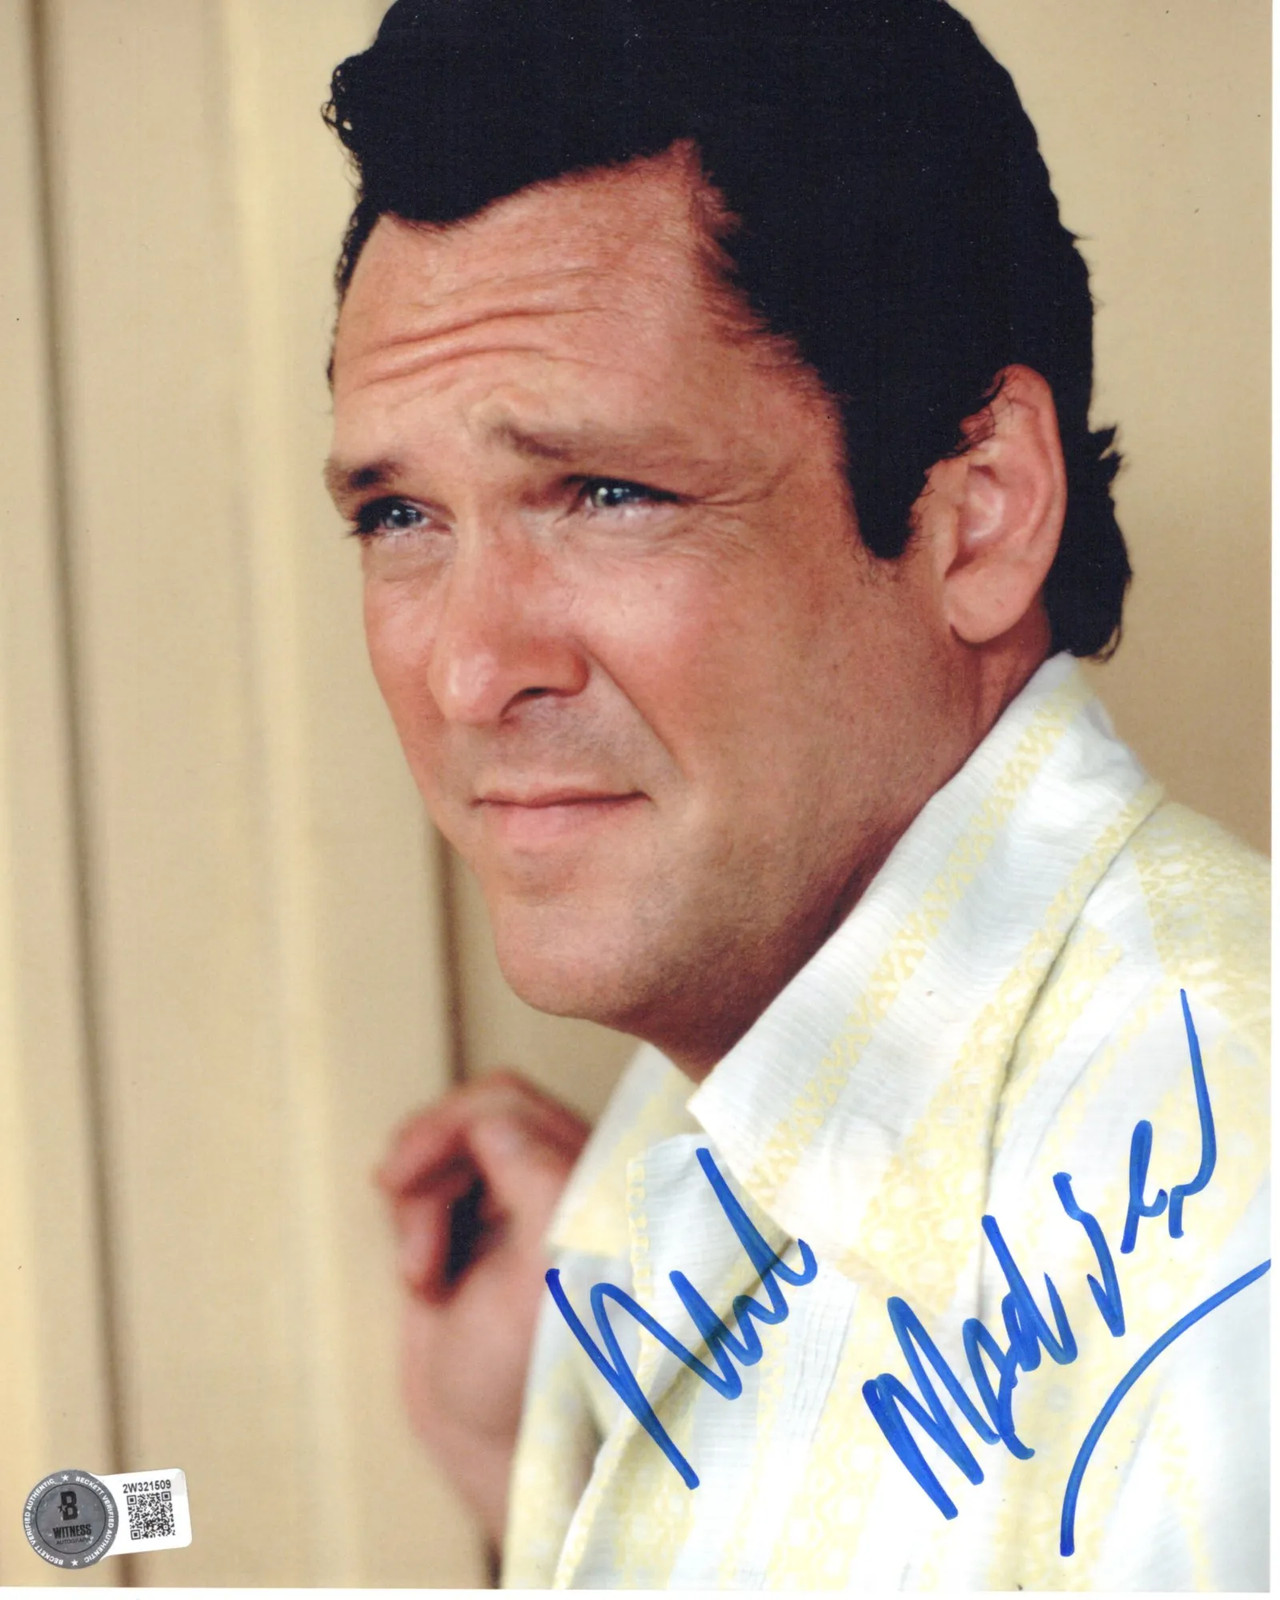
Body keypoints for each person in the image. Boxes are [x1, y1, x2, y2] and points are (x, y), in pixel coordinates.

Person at [322, 0, 1269, 1587]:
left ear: (980, 513)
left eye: (606, 493)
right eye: (401, 517)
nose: (470, 673)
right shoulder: (668, 1158)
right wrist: (541, 1471)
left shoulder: (1242, 1219)